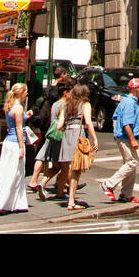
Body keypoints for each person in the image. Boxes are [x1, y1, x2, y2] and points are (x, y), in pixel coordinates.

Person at [99, 77, 139, 207]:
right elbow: (126, 123)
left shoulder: (127, 101)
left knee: (130, 164)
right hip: (126, 137)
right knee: (132, 163)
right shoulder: (130, 103)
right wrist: (132, 139)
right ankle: (109, 184)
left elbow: (116, 118)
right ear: (136, 89)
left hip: (122, 136)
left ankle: (126, 194)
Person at [0, 83, 30, 214]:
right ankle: (3, 203)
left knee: (8, 172)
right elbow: (18, 128)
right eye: (26, 91)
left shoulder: (10, 106)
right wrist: (22, 147)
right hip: (15, 143)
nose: (27, 94)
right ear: (20, 92)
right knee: (14, 173)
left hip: (8, 142)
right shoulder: (18, 108)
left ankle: (13, 203)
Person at [30, 74, 72, 198]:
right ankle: (61, 191)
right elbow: (62, 122)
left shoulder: (54, 105)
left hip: (51, 135)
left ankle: (43, 184)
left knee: (55, 165)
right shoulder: (64, 105)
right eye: (70, 92)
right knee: (64, 166)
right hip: (60, 137)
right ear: (65, 93)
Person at [57, 83, 97, 211]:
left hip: (67, 134)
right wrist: (95, 139)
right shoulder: (85, 104)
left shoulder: (66, 105)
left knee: (70, 167)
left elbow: (59, 126)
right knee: (76, 170)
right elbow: (89, 122)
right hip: (78, 135)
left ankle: (70, 199)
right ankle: (71, 201)